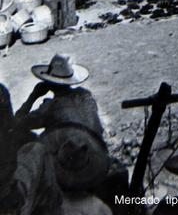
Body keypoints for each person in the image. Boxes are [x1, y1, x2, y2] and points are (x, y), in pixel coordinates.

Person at [14, 55, 126, 205]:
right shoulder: (85, 95)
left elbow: (17, 124)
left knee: (25, 139)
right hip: (94, 152)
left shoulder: (51, 107)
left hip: (72, 163)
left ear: (48, 82)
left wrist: (33, 96)